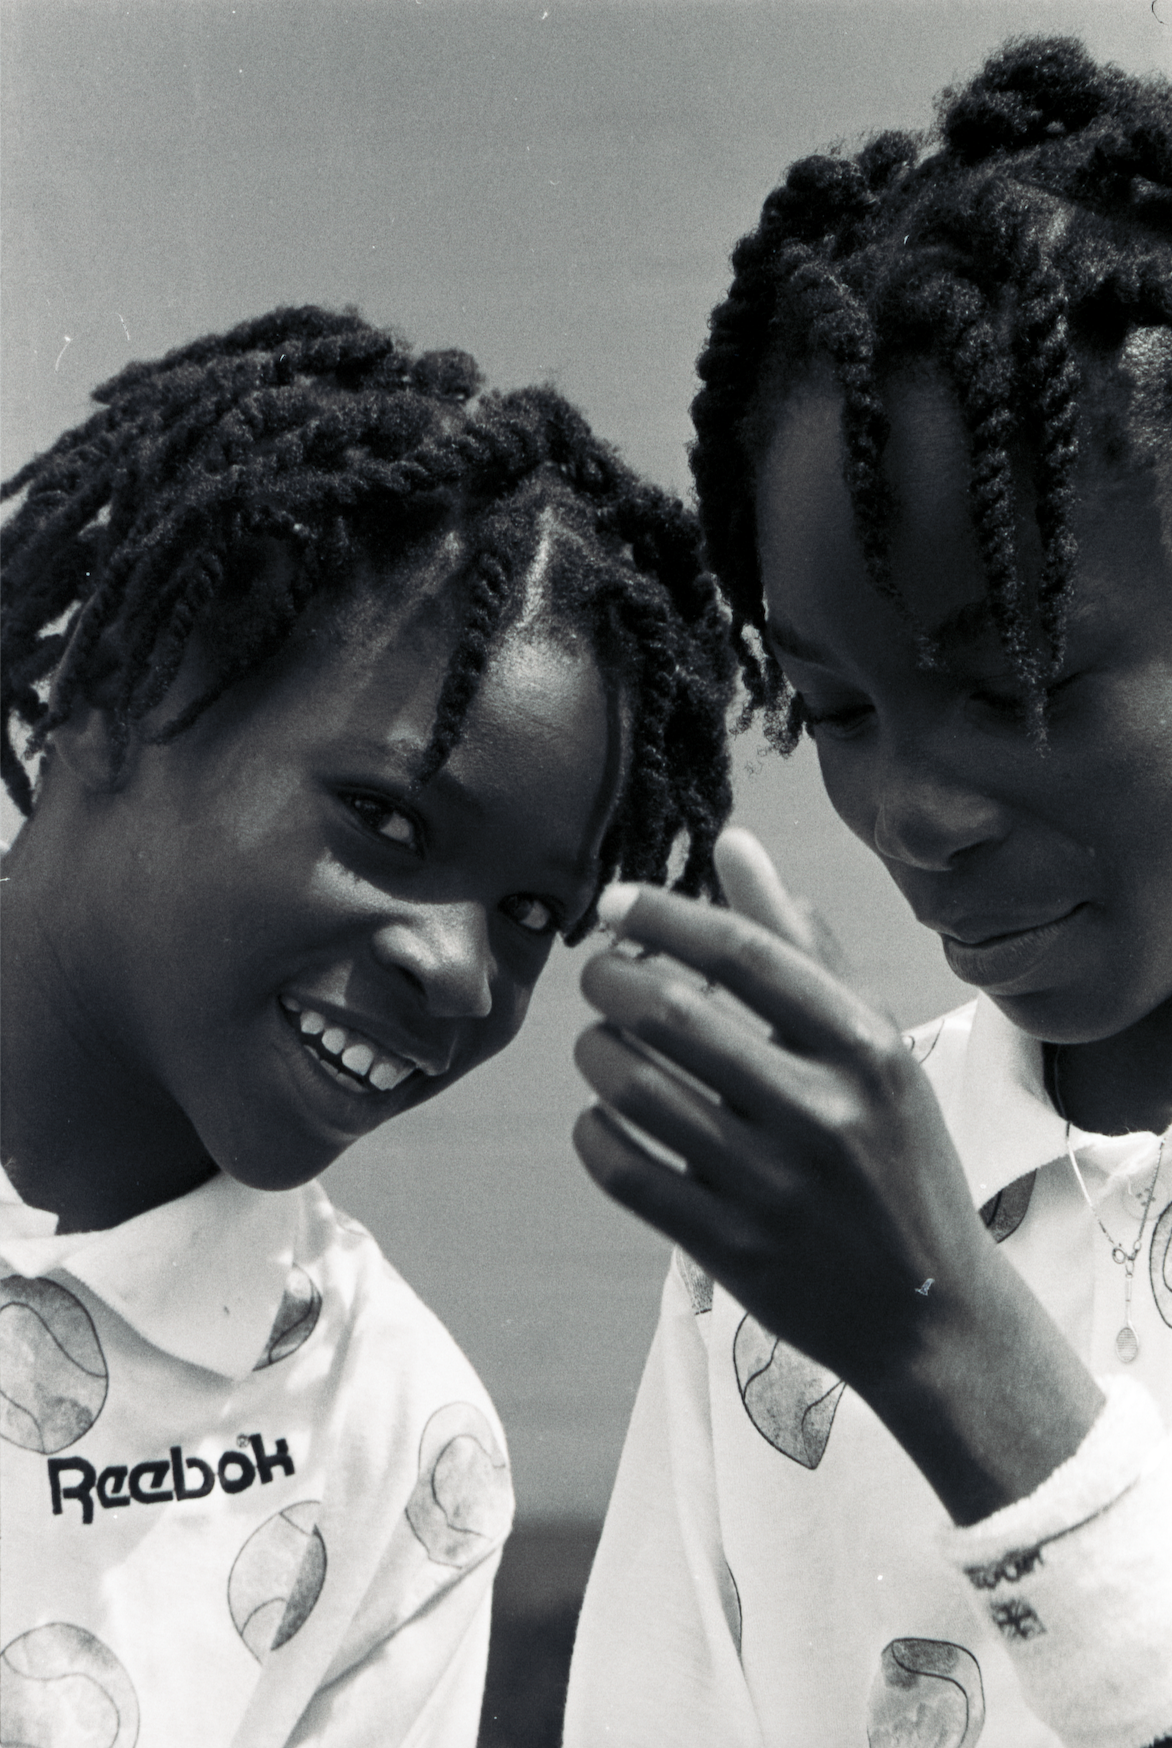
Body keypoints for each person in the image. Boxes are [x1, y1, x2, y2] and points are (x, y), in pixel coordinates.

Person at [0, 305, 736, 1747]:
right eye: (390, 821)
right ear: (116, 703)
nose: (464, 974)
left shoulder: (393, 1445)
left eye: (534, 913)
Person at [566, 38, 1172, 1748]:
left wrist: (948, 1332)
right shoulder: (786, 1234)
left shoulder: (869, 1241)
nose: (911, 814)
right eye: (836, 707)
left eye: (1010, 686)